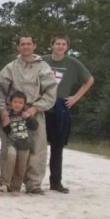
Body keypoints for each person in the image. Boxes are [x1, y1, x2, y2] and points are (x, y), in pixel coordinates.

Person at [0, 36, 58, 195]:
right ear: (18, 48)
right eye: (22, 44)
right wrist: (3, 112)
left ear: (34, 46)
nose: (26, 47)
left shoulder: (43, 67)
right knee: (8, 148)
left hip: (34, 111)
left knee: (37, 148)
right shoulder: (10, 67)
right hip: (13, 113)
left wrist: (34, 108)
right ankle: (6, 182)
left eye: (29, 44)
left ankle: (33, 184)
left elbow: (51, 91)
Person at [43, 34, 94, 194]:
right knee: (37, 147)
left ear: (67, 47)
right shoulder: (42, 60)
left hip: (61, 107)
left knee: (57, 148)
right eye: (57, 43)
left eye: (63, 44)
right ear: (52, 45)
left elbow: (89, 80)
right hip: (43, 105)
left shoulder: (72, 63)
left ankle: (56, 182)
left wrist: (76, 97)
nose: (60, 46)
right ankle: (32, 181)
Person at [0, 91, 39, 193]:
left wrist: (30, 117)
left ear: (24, 104)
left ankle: (15, 187)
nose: (17, 105)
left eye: (20, 103)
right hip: (12, 143)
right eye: (15, 102)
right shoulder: (8, 115)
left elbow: (35, 126)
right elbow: (7, 131)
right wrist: (5, 125)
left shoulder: (26, 115)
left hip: (25, 145)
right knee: (11, 156)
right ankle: (5, 183)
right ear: (11, 102)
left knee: (21, 168)